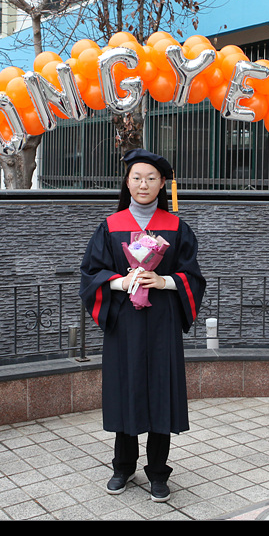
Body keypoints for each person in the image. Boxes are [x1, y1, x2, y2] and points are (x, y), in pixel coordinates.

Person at [79, 149, 205, 502]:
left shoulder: (177, 227)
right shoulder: (110, 226)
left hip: (162, 322)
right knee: (126, 389)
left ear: (163, 183)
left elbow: (194, 277)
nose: (143, 184)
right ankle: (123, 467)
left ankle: (158, 472)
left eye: (151, 178)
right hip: (125, 323)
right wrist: (122, 281)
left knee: (160, 391)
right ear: (127, 182)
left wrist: (163, 281)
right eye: (136, 177)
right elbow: (90, 274)